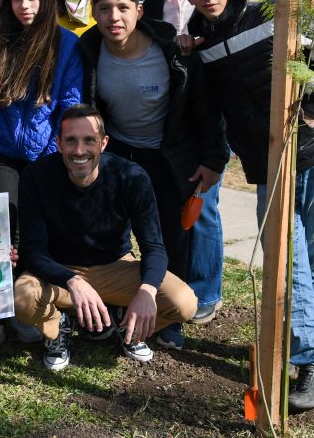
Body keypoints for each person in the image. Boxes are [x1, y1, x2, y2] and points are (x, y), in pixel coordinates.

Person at [183, 0, 314, 411]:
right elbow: (213, 112)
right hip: (267, 167)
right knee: (287, 260)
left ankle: (294, 346)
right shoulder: (202, 41)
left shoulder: (268, 14)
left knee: (306, 262)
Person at [78, 0, 228, 351]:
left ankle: (167, 316)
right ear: (94, 13)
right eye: (105, 8)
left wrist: (213, 159)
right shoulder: (88, 50)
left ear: (140, 11)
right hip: (117, 152)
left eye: (124, 8)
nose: (115, 17)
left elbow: (205, 109)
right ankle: (115, 306)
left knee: (169, 234)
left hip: (166, 152)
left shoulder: (171, 49)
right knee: (112, 233)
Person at [14, 104, 198, 370]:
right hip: (59, 271)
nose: (79, 151)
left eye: (89, 140)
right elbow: (32, 250)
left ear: (103, 143)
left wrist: (146, 291)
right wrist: (72, 280)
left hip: (114, 266)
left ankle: (127, 323)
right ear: (58, 143)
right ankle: (60, 327)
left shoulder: (131, 176)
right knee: (22, 298)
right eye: (71, 141)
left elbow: (154, 247)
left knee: (184, 303)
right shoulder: (36, 175)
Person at [0, 0, 83, 359]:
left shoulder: (65, 44)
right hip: (2, 149)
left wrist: (59, 152)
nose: (24, 5)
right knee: (1, 230)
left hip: (46, 153)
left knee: (36, 232)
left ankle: (26, 310)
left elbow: (69, 103)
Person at [141, 0, 227, 326]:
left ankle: (207, 290)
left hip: (207, 113)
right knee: (173, 209)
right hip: (166, 118)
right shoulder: (150, 4)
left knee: (204, 205)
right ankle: (176, 284)